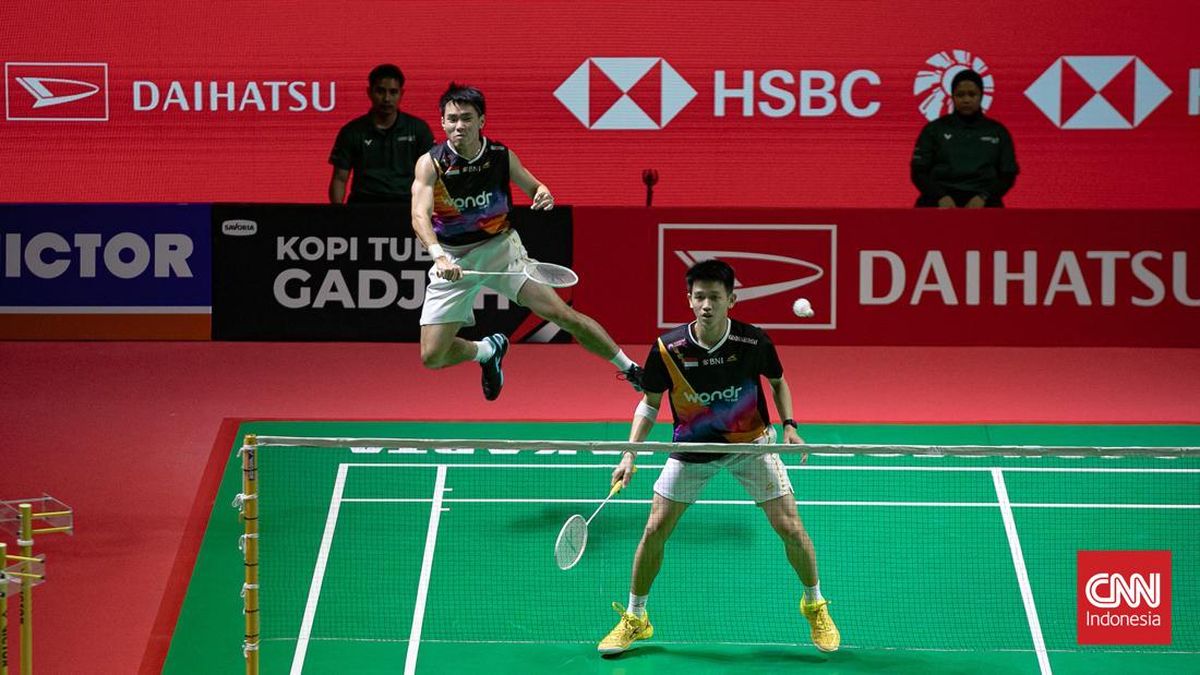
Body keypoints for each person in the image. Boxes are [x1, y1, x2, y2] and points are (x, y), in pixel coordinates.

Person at [598, 259, 840, 655]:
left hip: (750, 445)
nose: (706, 304)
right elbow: (649, 403)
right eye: (699, 297)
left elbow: (778, 382)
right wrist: (629, 455)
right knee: (654, 530)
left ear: (732, 300)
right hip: (693, 448)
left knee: (791, 527)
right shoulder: (668, 348)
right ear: (689, 300)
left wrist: (790, 425)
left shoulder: (753, 341)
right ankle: (636, 618)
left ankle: (814, 605)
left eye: (715, 297)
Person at [411, 82, 643, 400]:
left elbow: (535, 187)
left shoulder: (500, 156)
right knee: (433, 356)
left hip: (501, 250)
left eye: (466, 118)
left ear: (481, 121)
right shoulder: (431, 163)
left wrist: (543, 194)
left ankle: (631, 369)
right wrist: (438, 255)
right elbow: (419, 215)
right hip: (453, 259)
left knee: (561, 314)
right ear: (442, 122)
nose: (458, 126)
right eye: (451, 119)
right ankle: (487, 351)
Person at [911, 69, 1019, 208]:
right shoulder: (933, 129)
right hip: (938, 200)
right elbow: (918, 172)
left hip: (984, 201)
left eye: (972, 94)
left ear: (981, 96)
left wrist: (984, 197)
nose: (966, 100)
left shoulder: (998, 131)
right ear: (952, 97)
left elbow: (1008, 174)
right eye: (960, 95)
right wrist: (940, 196)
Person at [328, 64, 435, 204]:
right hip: (363, 204)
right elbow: (340, 178)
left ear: (401, 94)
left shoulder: (418, 129)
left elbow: (432, 177)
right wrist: (337, 214)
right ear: (369, 92)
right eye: (380, 91)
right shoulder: (351, 131)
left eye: (393, 92)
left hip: (407, 204)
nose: (387, 98)